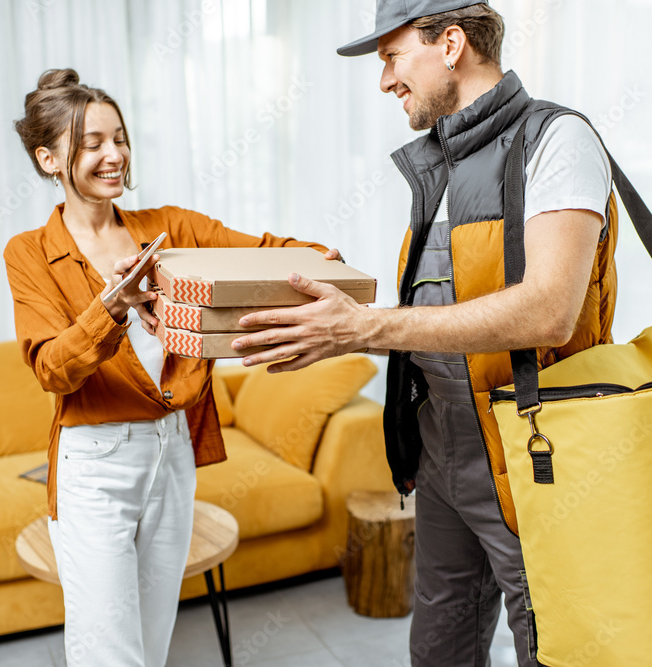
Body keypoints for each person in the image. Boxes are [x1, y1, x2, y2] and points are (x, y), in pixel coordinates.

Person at [230, 2, 617, 666]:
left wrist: (361, 327)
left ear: (452, 44)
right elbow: (450, 298)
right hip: (442, 459)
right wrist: (333, 313)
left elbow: (548, 310)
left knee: (556, 647)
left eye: (391, 57)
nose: (384, 80)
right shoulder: (437, 165)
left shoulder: (558, 139)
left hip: (535, 460)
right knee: (441, 649)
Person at [3, 68, 337, 667]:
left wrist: (323, 263)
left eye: (119, 138)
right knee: (109, 653)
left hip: (171, 453)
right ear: (49, 159)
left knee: (152, 644)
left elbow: (266, 254)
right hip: (95, 465)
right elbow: (52, 369)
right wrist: (112, 306)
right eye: (92, 144)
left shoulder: (170, 229)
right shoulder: (30, 253)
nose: (115, 155)